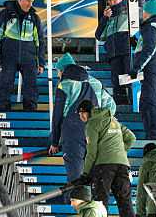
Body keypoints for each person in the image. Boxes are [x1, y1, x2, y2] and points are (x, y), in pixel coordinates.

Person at [49, 54, 114, 187]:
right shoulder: (95, 83)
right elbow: (111, 106)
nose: (58, 75)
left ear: (63, 70)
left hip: (73, 133)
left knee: (76, 177)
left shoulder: (64, 85)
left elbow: (57, 116)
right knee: (92, 175)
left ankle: (77, 199)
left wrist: (54, 142)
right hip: (94, 132)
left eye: (58, 72)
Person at [78, 101, 139, 217]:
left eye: (82, 113)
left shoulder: (92, 123)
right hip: (122, 165)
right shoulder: (113, 120)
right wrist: (119, 152)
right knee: (124, 198)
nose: (81, 117)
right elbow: (131, 137)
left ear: (88, 112)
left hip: (104, 166)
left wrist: (86, 173)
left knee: (101, 200)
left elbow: (91, 151)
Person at [0, 0, 45, 112]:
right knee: (5, 83)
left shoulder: (34, 18)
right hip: (9, 55)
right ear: (19, 0)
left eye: (32, 1)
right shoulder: (6, 14)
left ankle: (30, 112)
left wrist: (41, 62)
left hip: (29, 57)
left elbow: (40, 41)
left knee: (31, 85)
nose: (30, 4)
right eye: (27, 1)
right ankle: (3, 110)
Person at [129, 0, 156, 140]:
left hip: (151, 68)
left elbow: (149, 49)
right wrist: (136, 43)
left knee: (150, 101)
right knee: (146, 101)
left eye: (144, 11)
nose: (142, 14)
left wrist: (137, 67)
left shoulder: (151, 26)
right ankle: (151, 132)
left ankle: (153, 133)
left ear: (148, 12)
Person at [96, 0, 132, 105]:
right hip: (114, 55)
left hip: (127, 52)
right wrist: (104, 18)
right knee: (117, 84)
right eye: (109, 0)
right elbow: (99, 36)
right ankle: (121, 108)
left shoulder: (129, 12)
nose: (112, 2)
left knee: (130, 81)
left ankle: (134, 106)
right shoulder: (108, 17)